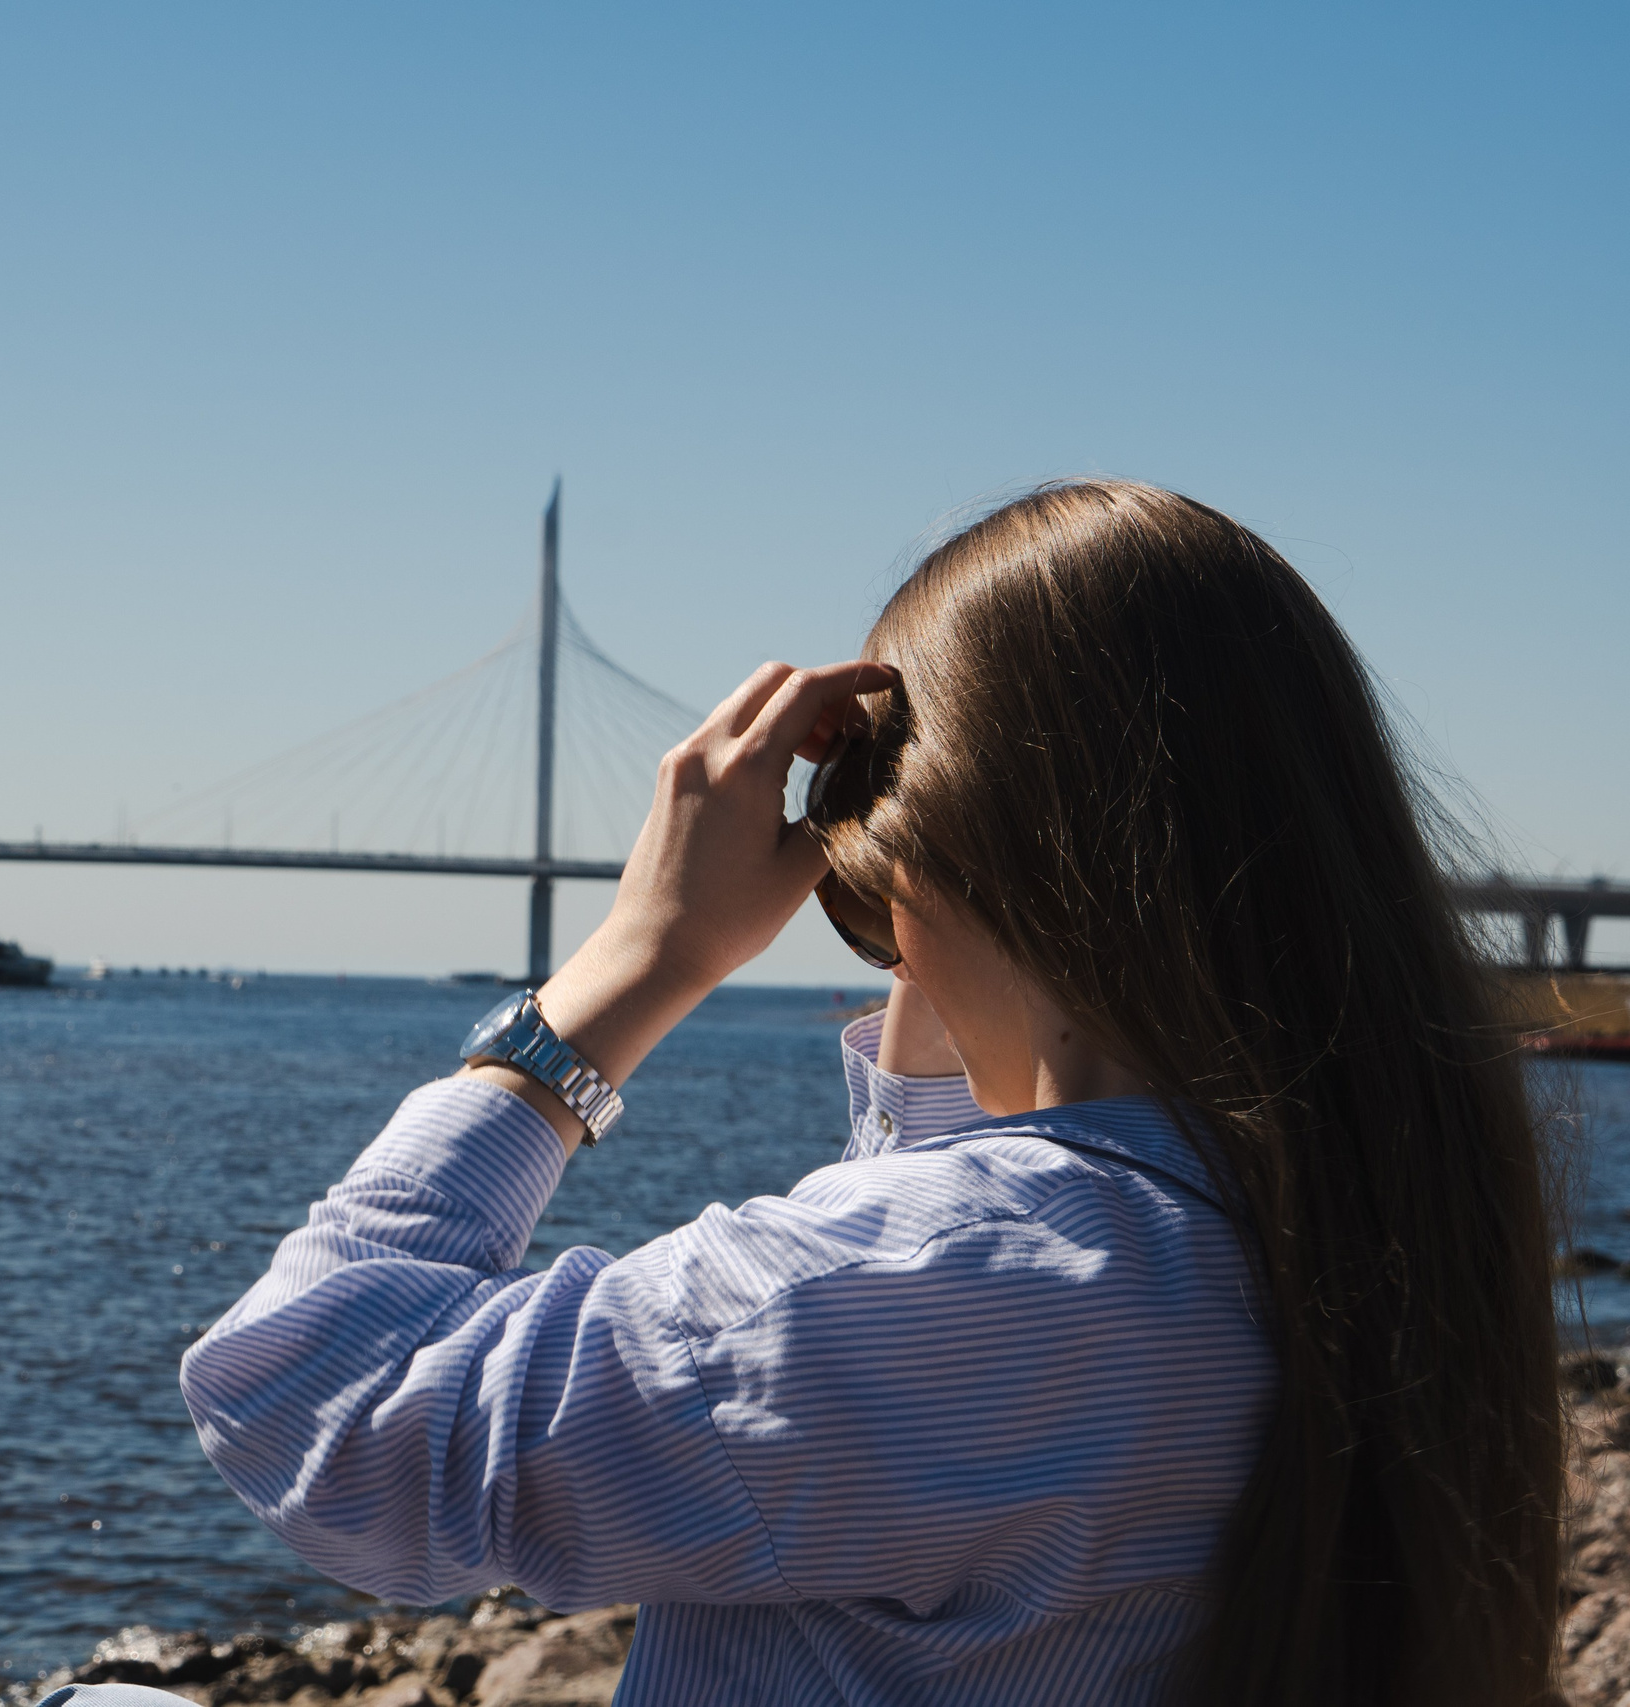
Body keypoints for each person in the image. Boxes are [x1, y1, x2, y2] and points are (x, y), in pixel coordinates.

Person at [167, 481, 1561, 1707]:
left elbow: (308, 1402)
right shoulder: (1365, 1229)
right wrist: (932, 930)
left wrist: (635, 962)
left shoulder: (950, 1289)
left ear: (925, 847)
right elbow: (969, 1230)